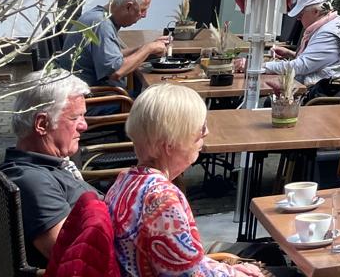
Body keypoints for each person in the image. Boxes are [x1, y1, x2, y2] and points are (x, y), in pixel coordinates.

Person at [106, 84, 268, 277]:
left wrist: (229, 270)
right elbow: (190, 274)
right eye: (200, 128)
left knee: (266, 255)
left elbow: (186, 263)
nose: (206, 132)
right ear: (170, 144)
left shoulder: (125, 181)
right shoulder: (161, 200)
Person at [0, 73, 94, 260]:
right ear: (42, 124)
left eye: (83, 116)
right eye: (75, 118)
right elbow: (71, 256)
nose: (84, 126)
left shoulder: (48, 164)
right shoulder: (33, 182)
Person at [237, 0, 340, 92]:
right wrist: (291, 54)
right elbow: (320, 61)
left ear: (316, 12)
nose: (298, 19)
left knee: (269, 98)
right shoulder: (331, 25)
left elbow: (302, 66)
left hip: (324, 95)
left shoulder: (329, 33)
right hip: (319, 89)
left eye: (300, 15)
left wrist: (259, 66)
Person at [64, 0, 168, 91]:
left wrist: (146, 48)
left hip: (91, 91)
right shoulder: (102, 24)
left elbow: (112, 57)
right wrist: (148, 48)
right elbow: (116, 72)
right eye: (142, 10)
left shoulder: (98, 15)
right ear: (128, 7)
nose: (144, 15)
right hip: (96, 97)